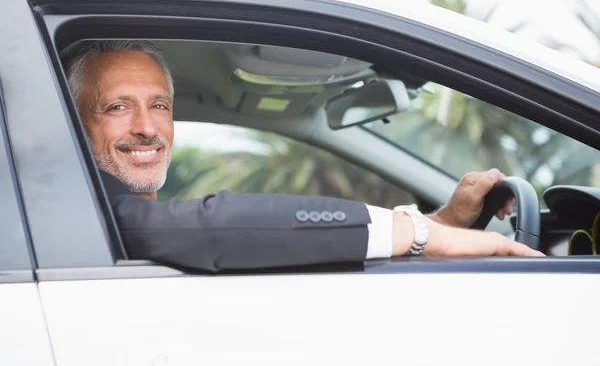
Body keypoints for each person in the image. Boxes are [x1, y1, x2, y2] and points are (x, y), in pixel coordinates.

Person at [60, 40, 544, 273]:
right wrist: (422, 234)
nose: (146, 126)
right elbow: (206, 227)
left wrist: (445, 223)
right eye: (117, 106)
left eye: (159, 105)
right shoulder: (82, 215)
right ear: (73, 121)